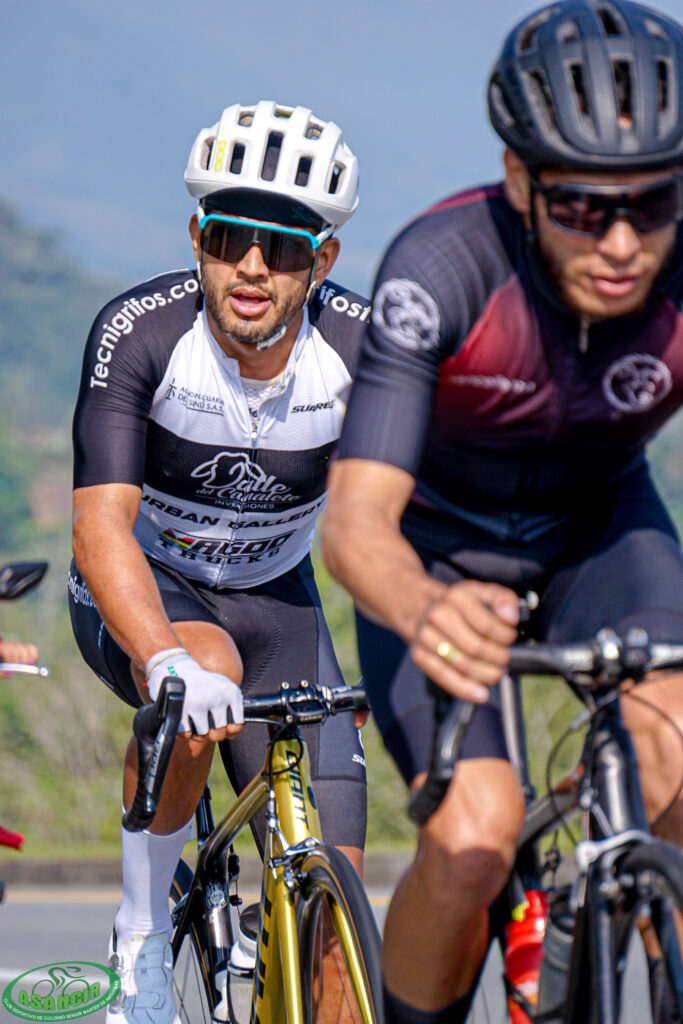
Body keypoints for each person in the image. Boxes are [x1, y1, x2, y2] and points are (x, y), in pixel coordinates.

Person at [323, 2, 683, 1021]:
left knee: (678, 753)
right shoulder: (444, 266)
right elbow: (353, 523)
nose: (621, 243)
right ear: (518, 180)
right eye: (579, 206)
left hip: (598, 530)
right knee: (474, 837)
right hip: (435, 551)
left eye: (652, 203)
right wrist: (424, 608)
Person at [68, 100, 367, 1024]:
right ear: (198, 238)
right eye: (230, 239)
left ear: (322, 261)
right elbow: (100, 526)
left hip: (279, 602)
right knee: (203, 674)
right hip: (146, 584)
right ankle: (140, 936)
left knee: (339, 944)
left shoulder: (360, 350)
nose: (252, 267)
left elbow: (411, 513)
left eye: (282, 248)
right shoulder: (144, 332)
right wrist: (162, 657)